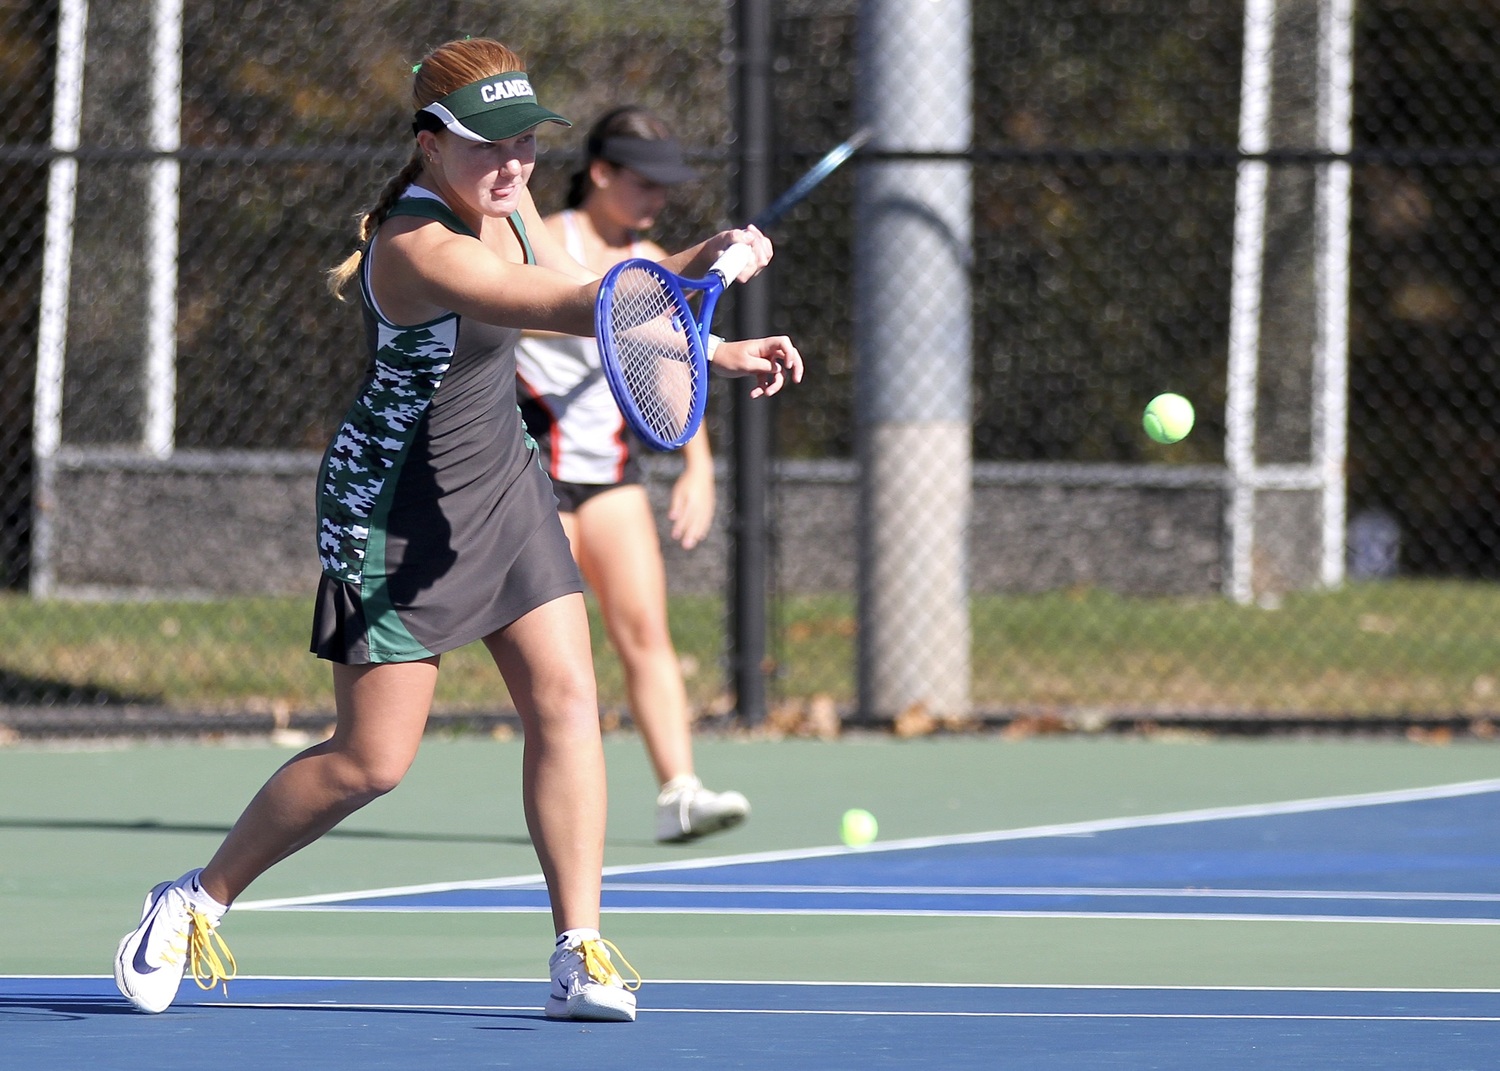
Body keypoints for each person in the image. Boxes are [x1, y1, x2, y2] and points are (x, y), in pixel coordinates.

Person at [111, 37, 802, 1023]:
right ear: (430, 144)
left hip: (503, 481)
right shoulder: (417, 247)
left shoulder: (507, 200)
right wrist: (702, 270)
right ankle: (193, 899)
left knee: (568, 701)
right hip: (391, 510)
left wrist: (713, 328)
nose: (512, 166)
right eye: (489, 147)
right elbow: (573, 304)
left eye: (525, 144)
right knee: (372, 762)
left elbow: (604, 292)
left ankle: (581, 948)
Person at [517, 107, 748, 844]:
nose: (657, 199)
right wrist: (622, 309)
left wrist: (698, 466)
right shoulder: (544, 239)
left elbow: (673, 365)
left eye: (666, 186)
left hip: (611, 474)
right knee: (562, 660)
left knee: (645, 628)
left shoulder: (654, 257)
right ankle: (568, 801)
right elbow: (535, 310)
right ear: (601, 173)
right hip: (531, 473)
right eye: (643, 182)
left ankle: (680, 790)